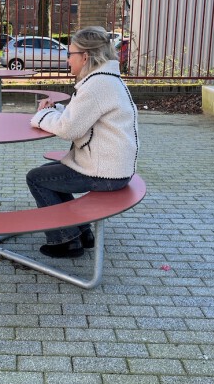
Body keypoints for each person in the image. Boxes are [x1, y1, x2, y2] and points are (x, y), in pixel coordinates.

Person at [27, 26, 139, 258]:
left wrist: (41, 117)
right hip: (115, 167)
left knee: (37, 179)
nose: (67, 60)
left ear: (85, 56)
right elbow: (82, 117)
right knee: (50, 174)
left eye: (70, 54)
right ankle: (81, 231)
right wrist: (57, 110)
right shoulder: (106, 80)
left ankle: (65, 240)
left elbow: (68, 129)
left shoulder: (97, 85)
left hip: (105, 173)